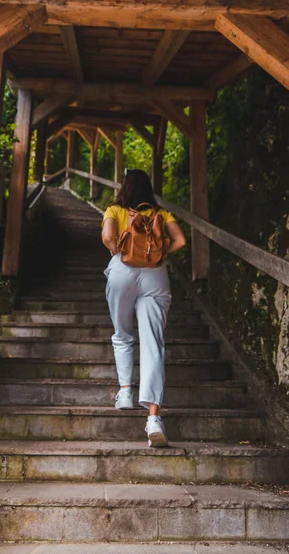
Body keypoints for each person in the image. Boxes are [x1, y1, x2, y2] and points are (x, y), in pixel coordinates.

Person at [101, 169, 186, 447]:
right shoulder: (160, 215)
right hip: (156, 275)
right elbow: (181, 241)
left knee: (123, 333)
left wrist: (122, 250)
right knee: (153, 344)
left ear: (124, 187)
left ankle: (125, 392)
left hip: (122, 271)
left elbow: (107, 237)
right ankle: (153, 419)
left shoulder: (115, 209)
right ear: (148, 189)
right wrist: (157, 252)